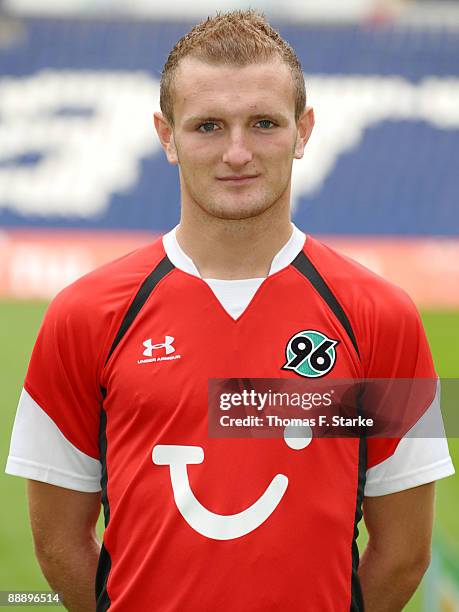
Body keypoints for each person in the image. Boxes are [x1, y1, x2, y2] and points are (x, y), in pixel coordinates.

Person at [5, 10, 454, 612]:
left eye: (264, 123)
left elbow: (404, 554)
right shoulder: (83, 316)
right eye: (208, 126)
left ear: (304, 130)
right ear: (166, 136)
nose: (237, 152)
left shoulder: (383, 317)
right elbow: (58, 543)